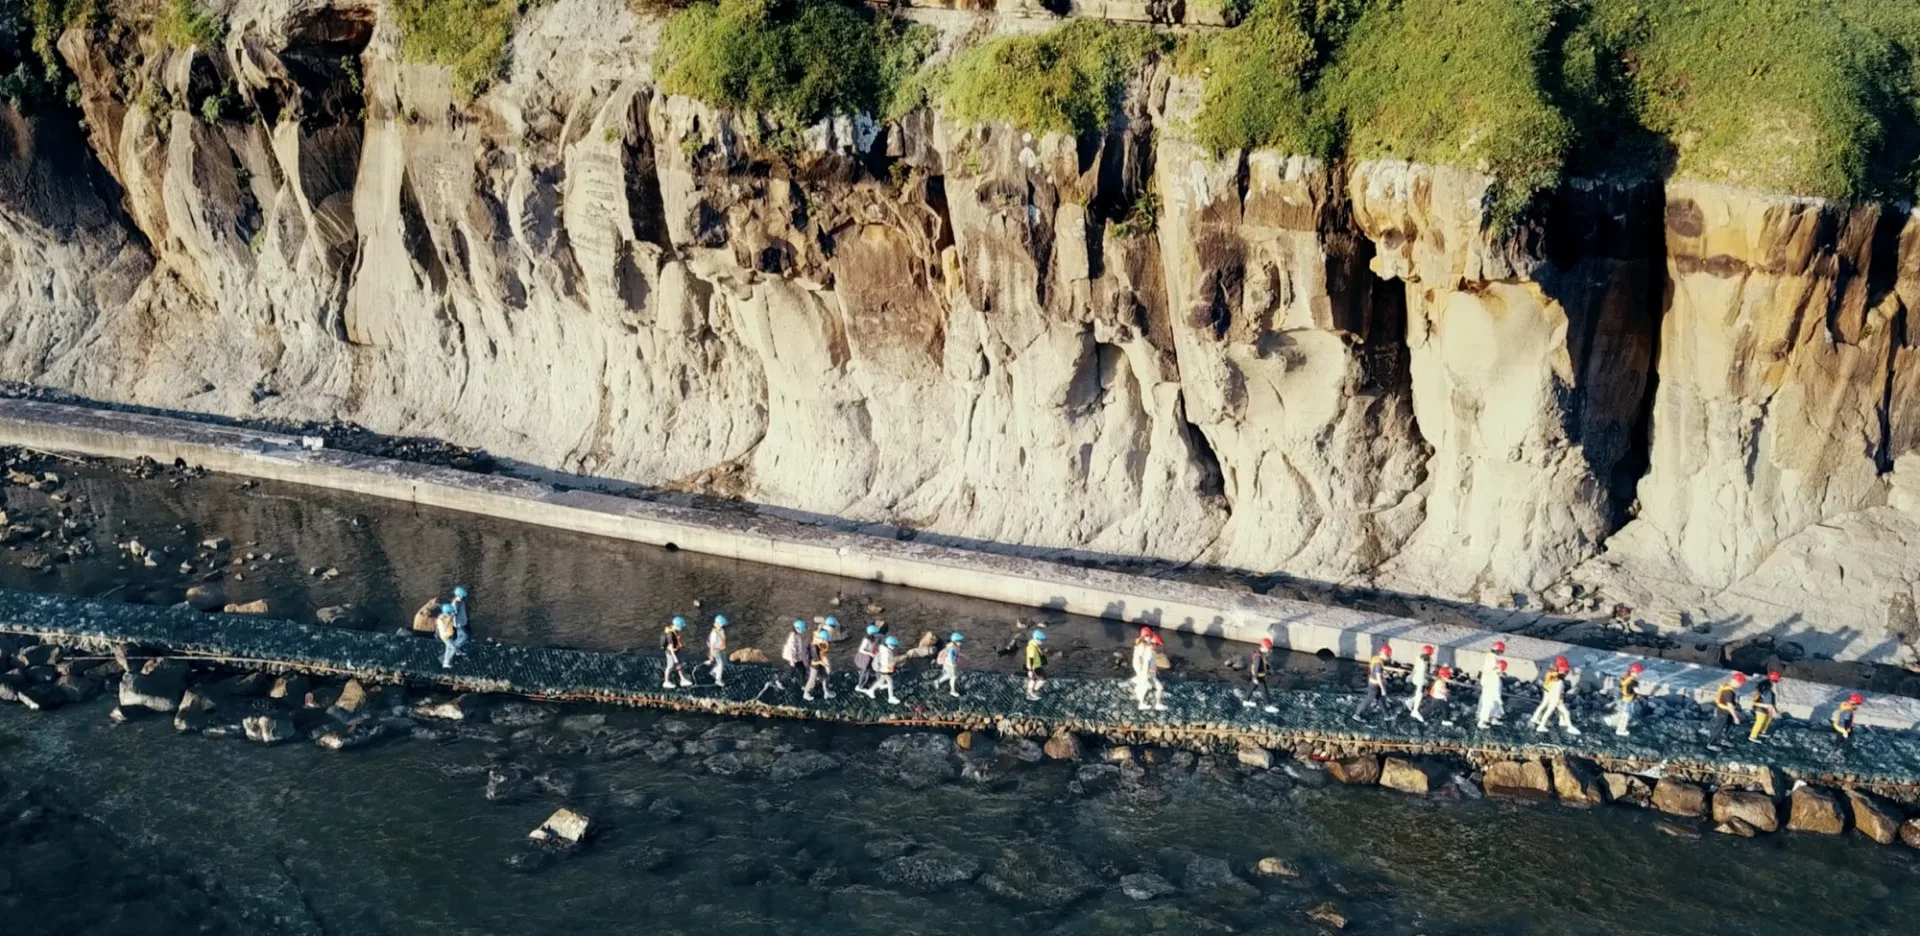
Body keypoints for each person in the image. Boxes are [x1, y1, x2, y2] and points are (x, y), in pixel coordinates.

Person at [1529, 656, 1580, 735]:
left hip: (1550, 696)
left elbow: (1548, 687)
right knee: (1549, 712)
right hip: (1555, 700)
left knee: (1546, 707)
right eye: (1565, 671)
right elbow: (1557, 694)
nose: (1566, 673)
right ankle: (1541, 726)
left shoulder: (1552, 673)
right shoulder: (1559, 682)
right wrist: (1557, 702)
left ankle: (1536, 718)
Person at [1352, 644, 1393, 721]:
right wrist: (1383, 688)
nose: (1388, 657)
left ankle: (1386, 715)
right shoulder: (1379, 664)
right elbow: (1378, 677)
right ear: (1384, 654)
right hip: (1374, 684)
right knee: (1368, 699)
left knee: (1380, 698)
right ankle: (1357, 714)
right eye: (1388, 655)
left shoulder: (1376, 658)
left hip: (1372, 682)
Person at [1707, 672, 1747, 748]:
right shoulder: (1729, 691)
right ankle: (1712, 743)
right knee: (1719, 728)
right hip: (1723, 712)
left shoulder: (1728, 686)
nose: (1740, 685)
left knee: (1730, 725)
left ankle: (1725, 739)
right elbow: (1729, 705)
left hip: (1727, 712)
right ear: (1735, 681)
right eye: (1740, 683)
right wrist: (1735, 716)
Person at [860, 635, 901, 704]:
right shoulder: (886, 653)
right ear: (888, 645)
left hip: (881, 668)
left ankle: (870, 690)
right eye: (893, 646)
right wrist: (892, 666)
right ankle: (891, 697)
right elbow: (886, 663)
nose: (894, 647)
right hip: (883, 669)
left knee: (881, 681)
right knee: (890, 682)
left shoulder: (884, 649)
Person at [1475, 642, 1508, 728]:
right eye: (1501, 651)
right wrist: (1501, 672)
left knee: (1489, 701)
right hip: (1491, 681)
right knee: (1490, 702)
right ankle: (1486, 719)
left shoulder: (1489, 656)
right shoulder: (1493, 659)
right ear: (1499, 651)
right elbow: (1494, 670)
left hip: (1487, 680)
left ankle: (1491, 717)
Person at [1609, 662, 1646, 737]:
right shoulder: (1633, 681)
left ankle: (1610, 719)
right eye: (1638, 673)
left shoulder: (1626, 677)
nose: (1639, 674)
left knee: (1624, 711)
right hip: (1629, 698)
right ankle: (1620, 730)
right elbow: (1637, 691)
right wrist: (1642, 695)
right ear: (1635, 673)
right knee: (1626, 714)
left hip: (1623, 696)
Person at [1246, 638, 1278, 713]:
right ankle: (1268, 706)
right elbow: (1256, 668)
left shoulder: (1260, 654)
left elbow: (1264, 664)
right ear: (1263, 647)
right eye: (1268, 648)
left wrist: (1269, 669)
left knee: (1251, 688)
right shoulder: (1258, 656)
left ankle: (1246, 700)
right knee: (1264, 691)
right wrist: (1255, 678)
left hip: (1258, 677)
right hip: (1259, 677)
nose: (1269, 650)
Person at [1749, 671, 1782, 743]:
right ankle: (1753, 736)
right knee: (1759, 722)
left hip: (1762, 707)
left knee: (1767, 719)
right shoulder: (1768, 690)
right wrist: (1775, 712)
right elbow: (1769, 704)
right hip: (1761, 708)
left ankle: (1762, 731)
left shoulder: (1763, 685)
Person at [1130, 627, 1159, 711]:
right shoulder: (1144, 647)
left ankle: (1137, 683)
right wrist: (1147, 672)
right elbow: (1145, 660)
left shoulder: (1140, 642)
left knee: (1143, 680)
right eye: (1149, 636)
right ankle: (1141, 703)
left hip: (1137, 665)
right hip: (1141, 667)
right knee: (1144, 685)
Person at [803, 627, 835, 701]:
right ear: (821, 639)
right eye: (825, 640)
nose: (826, 642)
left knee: (825, 677)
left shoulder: (818, 636)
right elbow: (816, 660)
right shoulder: (814, 647)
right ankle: (806, 693)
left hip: (819, 661)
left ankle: (826, 692)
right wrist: (826, 665)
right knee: (812, 680)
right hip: (814, 665)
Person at [661, 617, 692, 689]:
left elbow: (676, 641)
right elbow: (671, 647)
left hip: (674, 652)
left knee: (678, 665)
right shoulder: (670, 634)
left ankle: (683, 680)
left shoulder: (675, 631)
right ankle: (666, 682)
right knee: (670, 666)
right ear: (678, 625)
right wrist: (674, 656)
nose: (682, 628)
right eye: (681, 626)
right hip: (670, 653)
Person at [779, 620, 810, 691]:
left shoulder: (797, 635)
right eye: (802, 629)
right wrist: (792, 660)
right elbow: (791, 649)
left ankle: (803, 684)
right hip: (793, 658)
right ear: (797, 629)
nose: (803, 631)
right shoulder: (792, 637)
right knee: (790, 672)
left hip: (798, 658)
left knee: (802, 670)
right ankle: (780, 681)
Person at [1405, 645, 1435, 716]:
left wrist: (1411, 676)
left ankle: (1411, 702)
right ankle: (1413, 706)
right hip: (1421, 680)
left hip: (1416, 678)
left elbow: (1415, 669)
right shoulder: (1427, 663)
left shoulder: (1418, 658)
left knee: (1421, 693)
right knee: (1421, 694)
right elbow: (1426, 673)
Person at [435, 602, 465, 669]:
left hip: (449, 635)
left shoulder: (445, 616)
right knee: (453, 649)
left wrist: (450, 616)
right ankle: (447, 662)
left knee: (448, 649)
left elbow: (451, 614)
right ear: (447, 612)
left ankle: (446, 661)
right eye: (449, 613)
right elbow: (445, 627)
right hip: (446, 637)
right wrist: (449, 619)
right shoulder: (441, 620)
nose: (451, 614)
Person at [854, 624, 880, 692]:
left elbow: (873, 647)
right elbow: (861, 650)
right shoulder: (866, 640)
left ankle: (865, 682)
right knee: (864, 672)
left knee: (867, 671)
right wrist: (870, 653)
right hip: (865, 659)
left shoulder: (873, 638)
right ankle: (860, 686)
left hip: (869, 658)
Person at [1024, 630, 1049, 701]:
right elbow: (1031, 658)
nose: (1042, 642)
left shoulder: (1033, 645)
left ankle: (1030, 692)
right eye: (1041, 640)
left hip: (1036, 666)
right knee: (1042, 679)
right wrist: (1030, 670)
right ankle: (1032, 692)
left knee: (1034, 679)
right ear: (1037, 639)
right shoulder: (1032, 647)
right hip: (1034, 667)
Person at [705, 615, 729, 687]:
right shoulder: (714, 633)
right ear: (717, 624)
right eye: (721, 624)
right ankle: (718, 680)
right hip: (715, 650)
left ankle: (713, 672)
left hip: (721, 649)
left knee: (725, 663)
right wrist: (711, 655)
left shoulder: (721, 630)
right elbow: (712, 645)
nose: (722, 626)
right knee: (720, 664)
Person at [936, 632, 963, 697]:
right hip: (950, 665)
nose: (961, 642)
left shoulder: (953, 646)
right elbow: (951, 656)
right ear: (955, 641)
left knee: (949, 675)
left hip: (947, 664)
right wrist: (953, 663)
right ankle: (952, 691)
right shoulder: (952, 648)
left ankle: (937, 681)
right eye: (959, 641)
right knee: (953, 677)